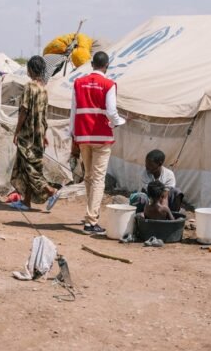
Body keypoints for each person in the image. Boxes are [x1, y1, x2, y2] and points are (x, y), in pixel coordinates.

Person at [70, 51, 125, 234]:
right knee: (98, 179)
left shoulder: (78, 83)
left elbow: (73, 111)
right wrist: (118, 122)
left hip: (83, 135)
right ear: (106, 65)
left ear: (92, 64)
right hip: (101, 136)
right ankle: (91, 221)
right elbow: (111, 110)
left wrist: (73, 135)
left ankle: (90, 214)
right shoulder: (109, 84)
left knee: (88, 177)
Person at [10, 55, 60, 211]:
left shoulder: (29, 87)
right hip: (38, 135)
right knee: (31, 167)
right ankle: (26, 201)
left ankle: (50, 191)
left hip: (27, 135)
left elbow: (24, 111)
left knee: (29, 168)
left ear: (31, 69)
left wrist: (17, 132)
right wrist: (44, 135)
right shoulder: (44, 89)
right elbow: (43, 115)